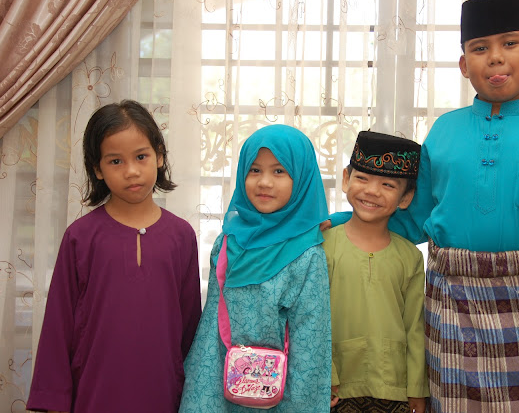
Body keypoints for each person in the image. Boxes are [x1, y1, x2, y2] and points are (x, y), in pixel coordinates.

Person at [329, 0, 519, 413]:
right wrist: (340, 224)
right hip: (451, 314)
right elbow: (410, 218)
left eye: (510, 43)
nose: (495, 57)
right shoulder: (444, 132)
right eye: (480, 48)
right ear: (464, 65)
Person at [26, 100, 202, 413]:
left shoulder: (181, 236)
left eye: (141, 156)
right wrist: (54, 400)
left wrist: (194, 395)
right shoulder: (80, 237)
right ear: (98, 169)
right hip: (94, 394)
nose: (131, 171)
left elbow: (190, 328)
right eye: (116, 161)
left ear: (160, 156)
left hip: (164, 393)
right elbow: (58, 325)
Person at [179, 124, 332, 412]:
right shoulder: (227, 242)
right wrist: (200, 394)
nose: (264, 182)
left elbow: (311, 342)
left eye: (279, 171)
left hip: (279, 393)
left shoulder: (307, 254)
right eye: (254, 170)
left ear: (301, 178)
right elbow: (211, 324)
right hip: (217, 381)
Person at [324, 131, 429, 413]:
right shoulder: (323, 247)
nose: (372, 191)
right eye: (362, 178)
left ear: (406, 198)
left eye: (387, 184)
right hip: (335, 388)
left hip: (393, 389)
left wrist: (417, 389)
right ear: (346, 180)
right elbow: (312, 319)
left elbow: (415, 327)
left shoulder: (410, 257)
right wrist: (324, 376)